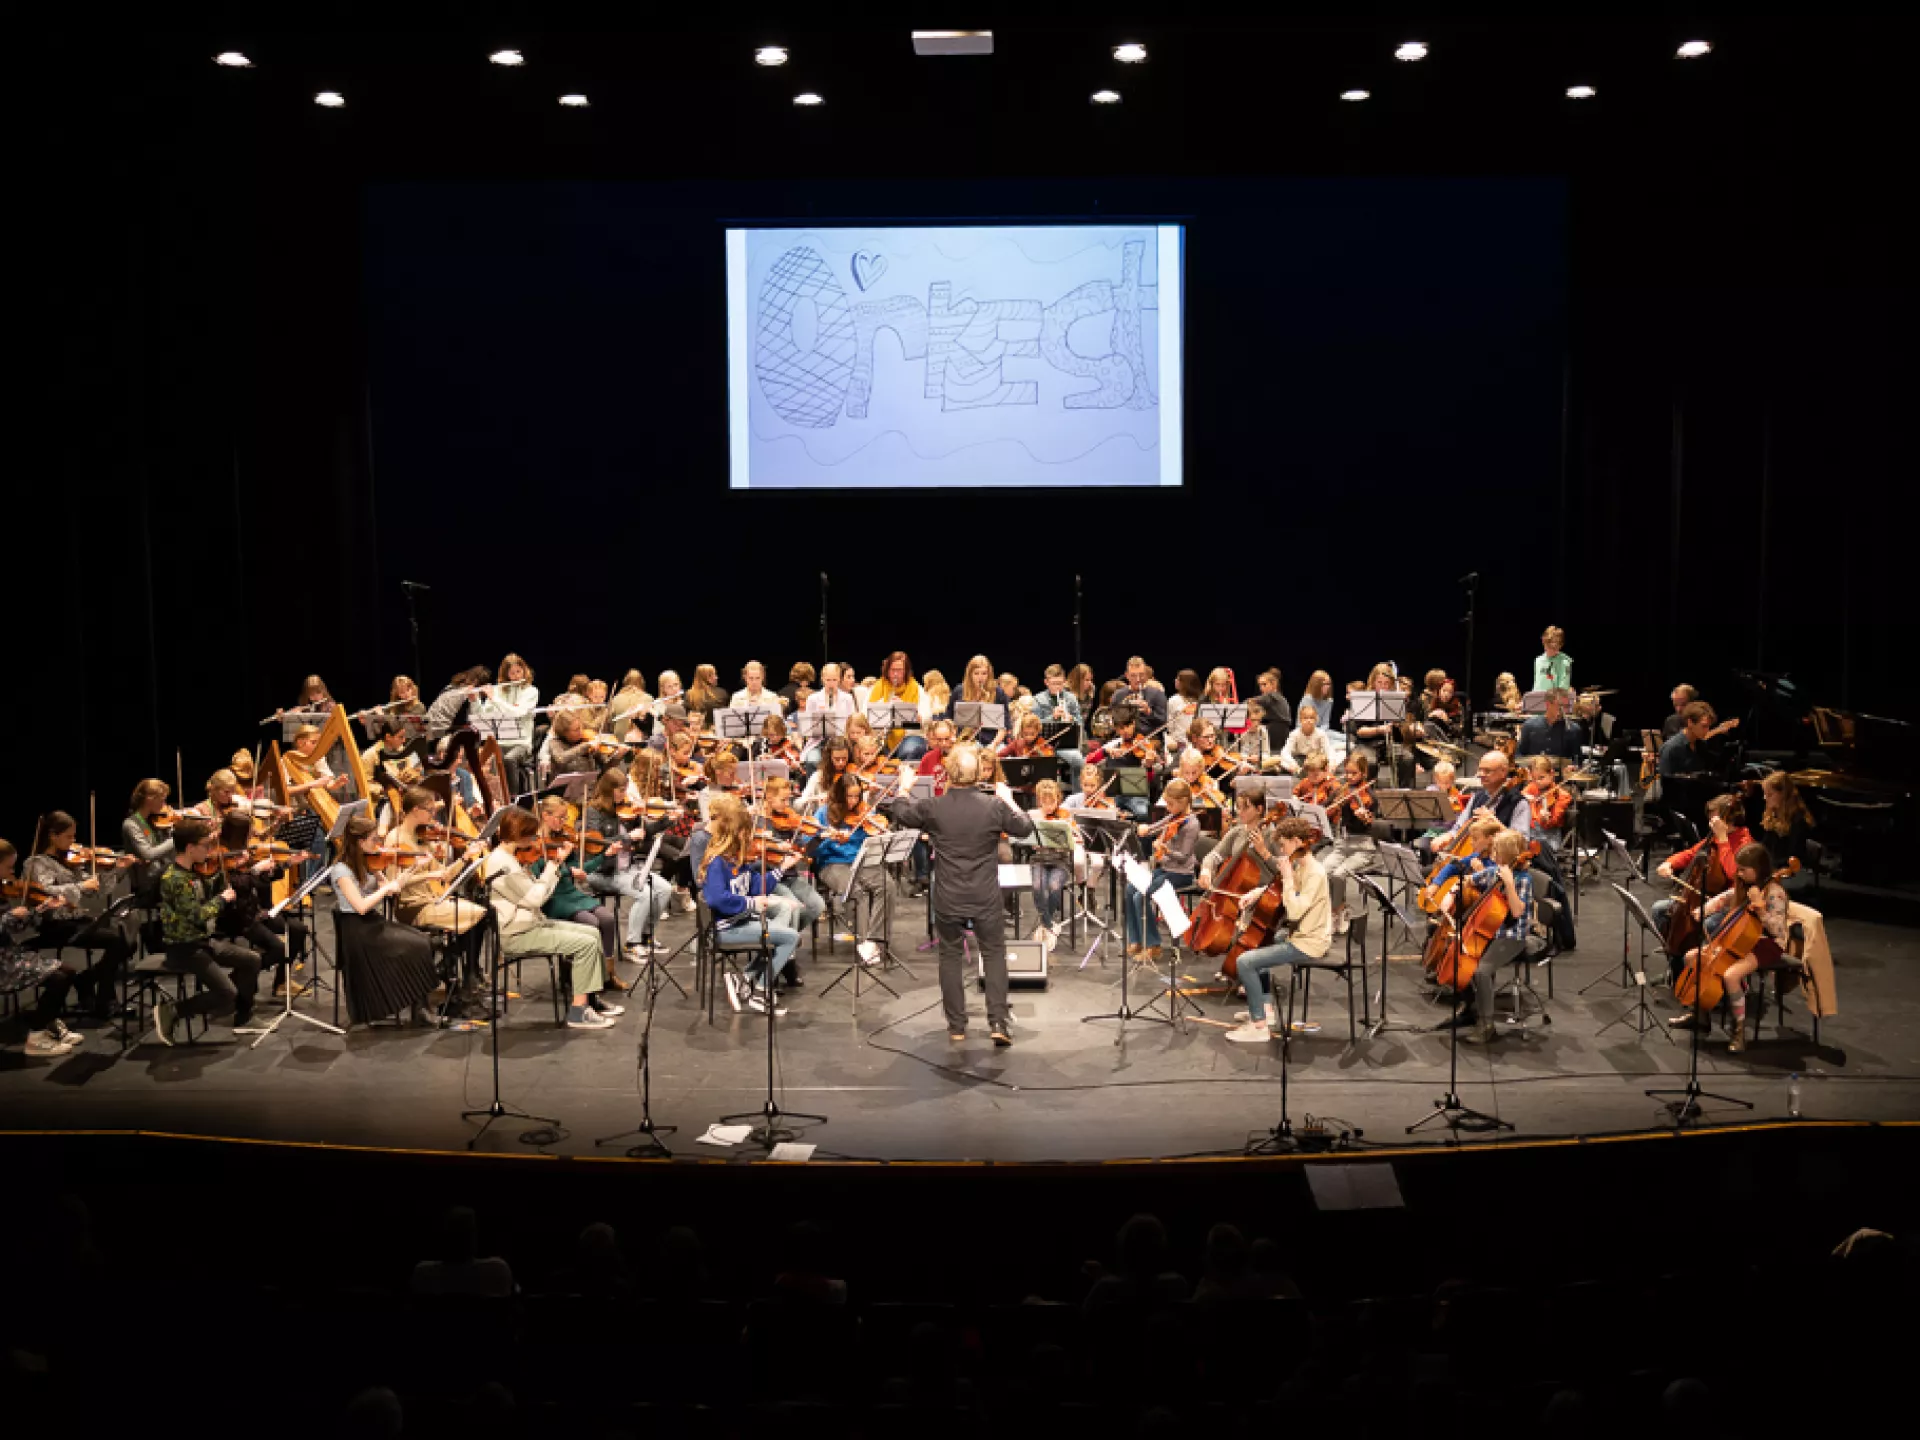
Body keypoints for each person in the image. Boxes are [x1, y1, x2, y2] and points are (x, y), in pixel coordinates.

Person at [882, 748, 1035, 1045]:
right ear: (977, 773)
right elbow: (1025, 827)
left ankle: (956, 1026)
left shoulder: (934, 806)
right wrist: (1009, 798)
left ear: (949, 773)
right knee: (993, 953)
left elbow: (900, 812)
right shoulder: (993, 806)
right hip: (984, 894)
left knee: (950, 956)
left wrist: (904, 787)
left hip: (948, 894)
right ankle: (998, 1022)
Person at [483, 808, 616, 1030]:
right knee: (585, 944)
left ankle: (590, 998)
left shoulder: (511, 858)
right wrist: (553, 865)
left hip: (532, 924)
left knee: (593, 932)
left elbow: (533, 891)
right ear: (518, 835)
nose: (533, 840)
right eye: (530, 835)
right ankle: (578, 1011)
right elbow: (535, 898)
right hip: (517, 933)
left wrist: (550, 869)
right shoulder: (503, 863)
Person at [150, 815, 264, 1043]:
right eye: (205, 845)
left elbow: (205, 891)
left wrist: (226, 874)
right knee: (227, 993)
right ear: (190, 848)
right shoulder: (175, 879)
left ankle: (245, 1017)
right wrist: (222, 900)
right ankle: (173, 1010)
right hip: (184, 948)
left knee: (252, 960)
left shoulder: (191, 872)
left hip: (202, 942)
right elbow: (196, 916)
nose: (209, 850)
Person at [328, 814, 447, 1028]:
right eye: (374, 839)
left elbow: (394, 887)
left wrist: (414, 867)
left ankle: (420, 1006)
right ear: (360, 842)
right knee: (418, 945)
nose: (378, 844)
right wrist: (384, 889)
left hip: (372, 923)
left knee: (424, 940)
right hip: (358, 931)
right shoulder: (341, 870)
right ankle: (419, 1010)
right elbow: (361, 906)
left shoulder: (367, 863)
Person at [1221, 816, 1331, 1042]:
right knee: (1261, 941)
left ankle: (1259, 1026)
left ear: (1297, 842)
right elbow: (1279, 888)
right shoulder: (1301, 865)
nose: (1281, 850)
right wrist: (1256, 893)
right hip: (1297, 935)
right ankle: (1265, 1009)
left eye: (1284, 845)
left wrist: (1288, 877)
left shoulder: (1314, 872)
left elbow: (1295, 911)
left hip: (1309, 942)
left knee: (1245, 962)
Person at [23, 812, 139, 1020]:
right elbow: (45, 892)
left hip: (76, 921)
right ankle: (104, 1000)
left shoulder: (70, 861)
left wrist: (116, 869)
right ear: (53, 836)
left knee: (127, 941)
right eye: (69, 836)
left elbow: (97, 890)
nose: (74, 842)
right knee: (116, 940)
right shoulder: (36, 863)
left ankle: (87, 980)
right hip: (54, 923)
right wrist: (81, 885)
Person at [1685, 841, 1794, 1053]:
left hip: (1767, 943)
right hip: (1742, 939)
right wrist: (1704, 909)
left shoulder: (1775, 892)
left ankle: (1739, 1031)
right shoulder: (1745, 885)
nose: (1739, 873)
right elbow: (1726, 897)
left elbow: (1778, 930)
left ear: (1758, 869)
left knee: (1731, 976)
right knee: (1692, 957)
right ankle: (1700, 1016)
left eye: (1744, 869)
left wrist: (1761, 910)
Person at [698, 794, 802, 1014]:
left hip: (741, 923)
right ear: (733, 832)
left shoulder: (735, 860)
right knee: (790, 938)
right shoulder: (717, 863)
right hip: (726, 929)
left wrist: (782, 868)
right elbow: (717, 899)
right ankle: (761, 992)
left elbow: (756, 886)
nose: (748, 835)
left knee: (781, 935)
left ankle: (744, 979)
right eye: (745, 831)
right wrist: (752, 903)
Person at [1447, 828, 1536, 1045]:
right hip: (1492, 933)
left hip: (1512, 937)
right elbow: (1471, 879)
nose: (1493, 855)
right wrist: (1459, 888)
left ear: (1508, 854)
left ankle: (1487, 1025)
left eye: (1497, 851)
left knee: (1482, 971)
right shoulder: (1495, 871)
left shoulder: (1523, 879)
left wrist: (1509, 884)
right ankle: (1471, 1008)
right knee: (1463, 959)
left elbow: (1517, 912)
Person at [212, 811, 312, 999]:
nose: (252, 835)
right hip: (236, 917)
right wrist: (255, 870)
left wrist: (287, 863)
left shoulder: (241, 852)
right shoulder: (219, 856)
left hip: (253, 911)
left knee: (298, 929)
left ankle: (281, 982)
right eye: (248, 832)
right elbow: (238, 886)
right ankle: (241, 975)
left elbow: (260, 881)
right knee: (278, 948)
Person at [532, 797, 624, 999]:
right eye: (560, 817)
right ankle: (578, 977)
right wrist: (566, 870)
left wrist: (605, 855)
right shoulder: (533, 845)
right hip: (551, 898)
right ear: (545, 816)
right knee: (591, 922)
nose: (564, 822)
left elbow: (581, 869)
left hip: (570, 894)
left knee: (607, 919)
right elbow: (538, 875)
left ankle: (608, 974)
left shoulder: (564, 840)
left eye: (565, 818)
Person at [2, 837, 86, 1057]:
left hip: (11, 955)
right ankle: (36, 1038)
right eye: (9, 867)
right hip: (3, 963)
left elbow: (16, 927)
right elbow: (7, 924)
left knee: (67, 971)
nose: (12, 873)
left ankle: (49, 1024)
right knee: (57, 979)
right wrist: (9, 917)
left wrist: (40, 909)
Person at [579, 769, 673, 962]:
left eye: (625, 790)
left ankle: (646, 937)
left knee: (665, 889)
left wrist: (666, 820)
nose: (625, 795)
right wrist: (627, 837)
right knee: (644, 894)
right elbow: (596, 844)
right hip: (602, 871)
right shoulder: (593, 812)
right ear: (609, 790)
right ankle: (632, 944)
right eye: (621, 790)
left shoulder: (626, 811)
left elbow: (645, 832)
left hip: (627, 868)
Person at [812, 774, 887, 957]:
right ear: (839, 795)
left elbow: (874, 836)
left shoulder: (863, 812)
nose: (853, 801)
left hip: (860, 861)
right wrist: (829, 839)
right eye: (849, 796)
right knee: (857, 892)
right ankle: (864, 945)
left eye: (857, 796)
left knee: (887, 885)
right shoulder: (823, 814)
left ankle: (877, 940)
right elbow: (811, 849)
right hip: (832, 864)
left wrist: (879, 833)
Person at [1126, 779, 1198, 960]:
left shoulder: (1192, 824)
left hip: (1181, 874)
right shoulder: (1174, 817)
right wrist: (1145, 829)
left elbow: (1184, 857)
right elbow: (1154, 827)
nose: (1167, 807)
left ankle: (1153, 945)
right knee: (1130, 889)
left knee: (1140, 896)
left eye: (1171, 804)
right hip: (1166, 870)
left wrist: (1166, 850)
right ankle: (1136, 939)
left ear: (1183, 802)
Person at [472, 653, 540, 794]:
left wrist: (495, 699)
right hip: (500, 742)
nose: (516, 677)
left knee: (509, 759)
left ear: (524, 670)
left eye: (518, 672)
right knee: (486, 760)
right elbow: (483, 716)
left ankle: (512, 798)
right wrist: (475, 700)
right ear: (505, 674)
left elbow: (516, 713)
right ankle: (493, 797)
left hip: (522, 743)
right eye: (512, 673)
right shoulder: (498, 691)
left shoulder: (531, 692)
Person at [1025, 779, 1076, 949]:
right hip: (1039, 860)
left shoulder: (1065, 816)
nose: (1048, 807)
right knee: (1038, 885)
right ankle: (1049, 926)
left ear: (1058, 799)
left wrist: (1069, 835)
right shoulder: (1033, 815)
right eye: (1044, 802)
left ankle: (1044, 926)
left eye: (1052, 802)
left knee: (1054, 885)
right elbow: (1026, 839)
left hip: (1060, 861)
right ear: (1039, 800)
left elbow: (1075, 841)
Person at [866, 650, 934, 760]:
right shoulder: (877, 688)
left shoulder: (916, 689)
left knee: (909, 750)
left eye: (899, 670)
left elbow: (928, 717)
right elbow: (865, 715)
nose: (895, 674)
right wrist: (884, 706)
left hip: (910, 735)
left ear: (906, 671)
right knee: (869, 752)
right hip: (881, 735)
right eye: (893, 670)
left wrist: (908, 711)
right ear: (887, 670)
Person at [1759, 772, 1817, 889]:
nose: (1765, 798)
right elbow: (1766, 847)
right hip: (1773, 867)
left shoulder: (1798, 821)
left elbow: (1794, 857)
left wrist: (1769, 868)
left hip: (1790, 872)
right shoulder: (1773, 815)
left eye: (1770, 794)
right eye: (1765, 794)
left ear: (1783, 795)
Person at [800, 662, 858, 770]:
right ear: (822, 679)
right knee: (812, 761)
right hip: (819, 742)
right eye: (828, 680)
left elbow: (853, 722)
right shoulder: (813, 699)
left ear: (839, 679)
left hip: (841, 743)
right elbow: (808, 727)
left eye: (834, 680)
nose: (831, 684)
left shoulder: (847, 698)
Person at [1659, 700, 1729, 778]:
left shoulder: (1701, 745)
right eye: (1704, 726)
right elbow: (1666, 782)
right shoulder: (1671, 748)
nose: (1707, 730)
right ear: (1690, 723)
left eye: (1708, 726)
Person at [1516, 689, 1586, 761]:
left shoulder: (1573, 729)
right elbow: (1519, 754)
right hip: (1534, 767)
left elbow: (1577, 759)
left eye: (1566, 706)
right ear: (1548, 704)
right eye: (1560, 706)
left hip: (1561, 768)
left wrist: (1573, 765)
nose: (1564, 711)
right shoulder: (1529, 725)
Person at [1522, 756, 1572, 854]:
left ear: (1551, 774)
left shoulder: (1562, 796)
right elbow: (1520, 797)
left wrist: (1544, 819)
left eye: (1541, 778)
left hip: (1549, 839)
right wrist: (1523, 798)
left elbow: (1553, 821)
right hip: (1529, 835)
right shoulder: (1532, 788)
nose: (1537, 782)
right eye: (1534, 778)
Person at [1115, 655, 1168, 730]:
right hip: (1124, 736)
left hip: (1150, 736)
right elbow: (1113, 721)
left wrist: (1149, 712)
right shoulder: (1118, 695)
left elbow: (1163, 723)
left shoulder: (1157, 694)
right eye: (1133, 675)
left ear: (1145, 674)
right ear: (1127, 675)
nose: (1138, 679)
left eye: (1141, 675)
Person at [1278, 704, 1330, 775]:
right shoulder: (1294, 734)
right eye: (1305, 718)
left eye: (1311, 718)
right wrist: (1294, 764)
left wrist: (1331, 763)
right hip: (1298, 760)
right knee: (1281, 761)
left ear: (1316, 720)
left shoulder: (1321, 734)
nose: (1308, 720)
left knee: (1337, 756)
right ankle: (1299, 771)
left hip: (1315, 761)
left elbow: (1328, 750)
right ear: (1300, 720)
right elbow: (1285, 751)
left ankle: (1313, 772)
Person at [1533, 625, 1573, 695]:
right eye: (1548, 647)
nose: (1551, 650)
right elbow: (1537, 685)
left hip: (1555, 699)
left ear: (1560, 646)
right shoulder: (1538, 660)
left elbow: (1564, 687)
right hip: (1538, 699)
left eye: (1554, 648)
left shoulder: (1565, 662)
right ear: (1543, 643)